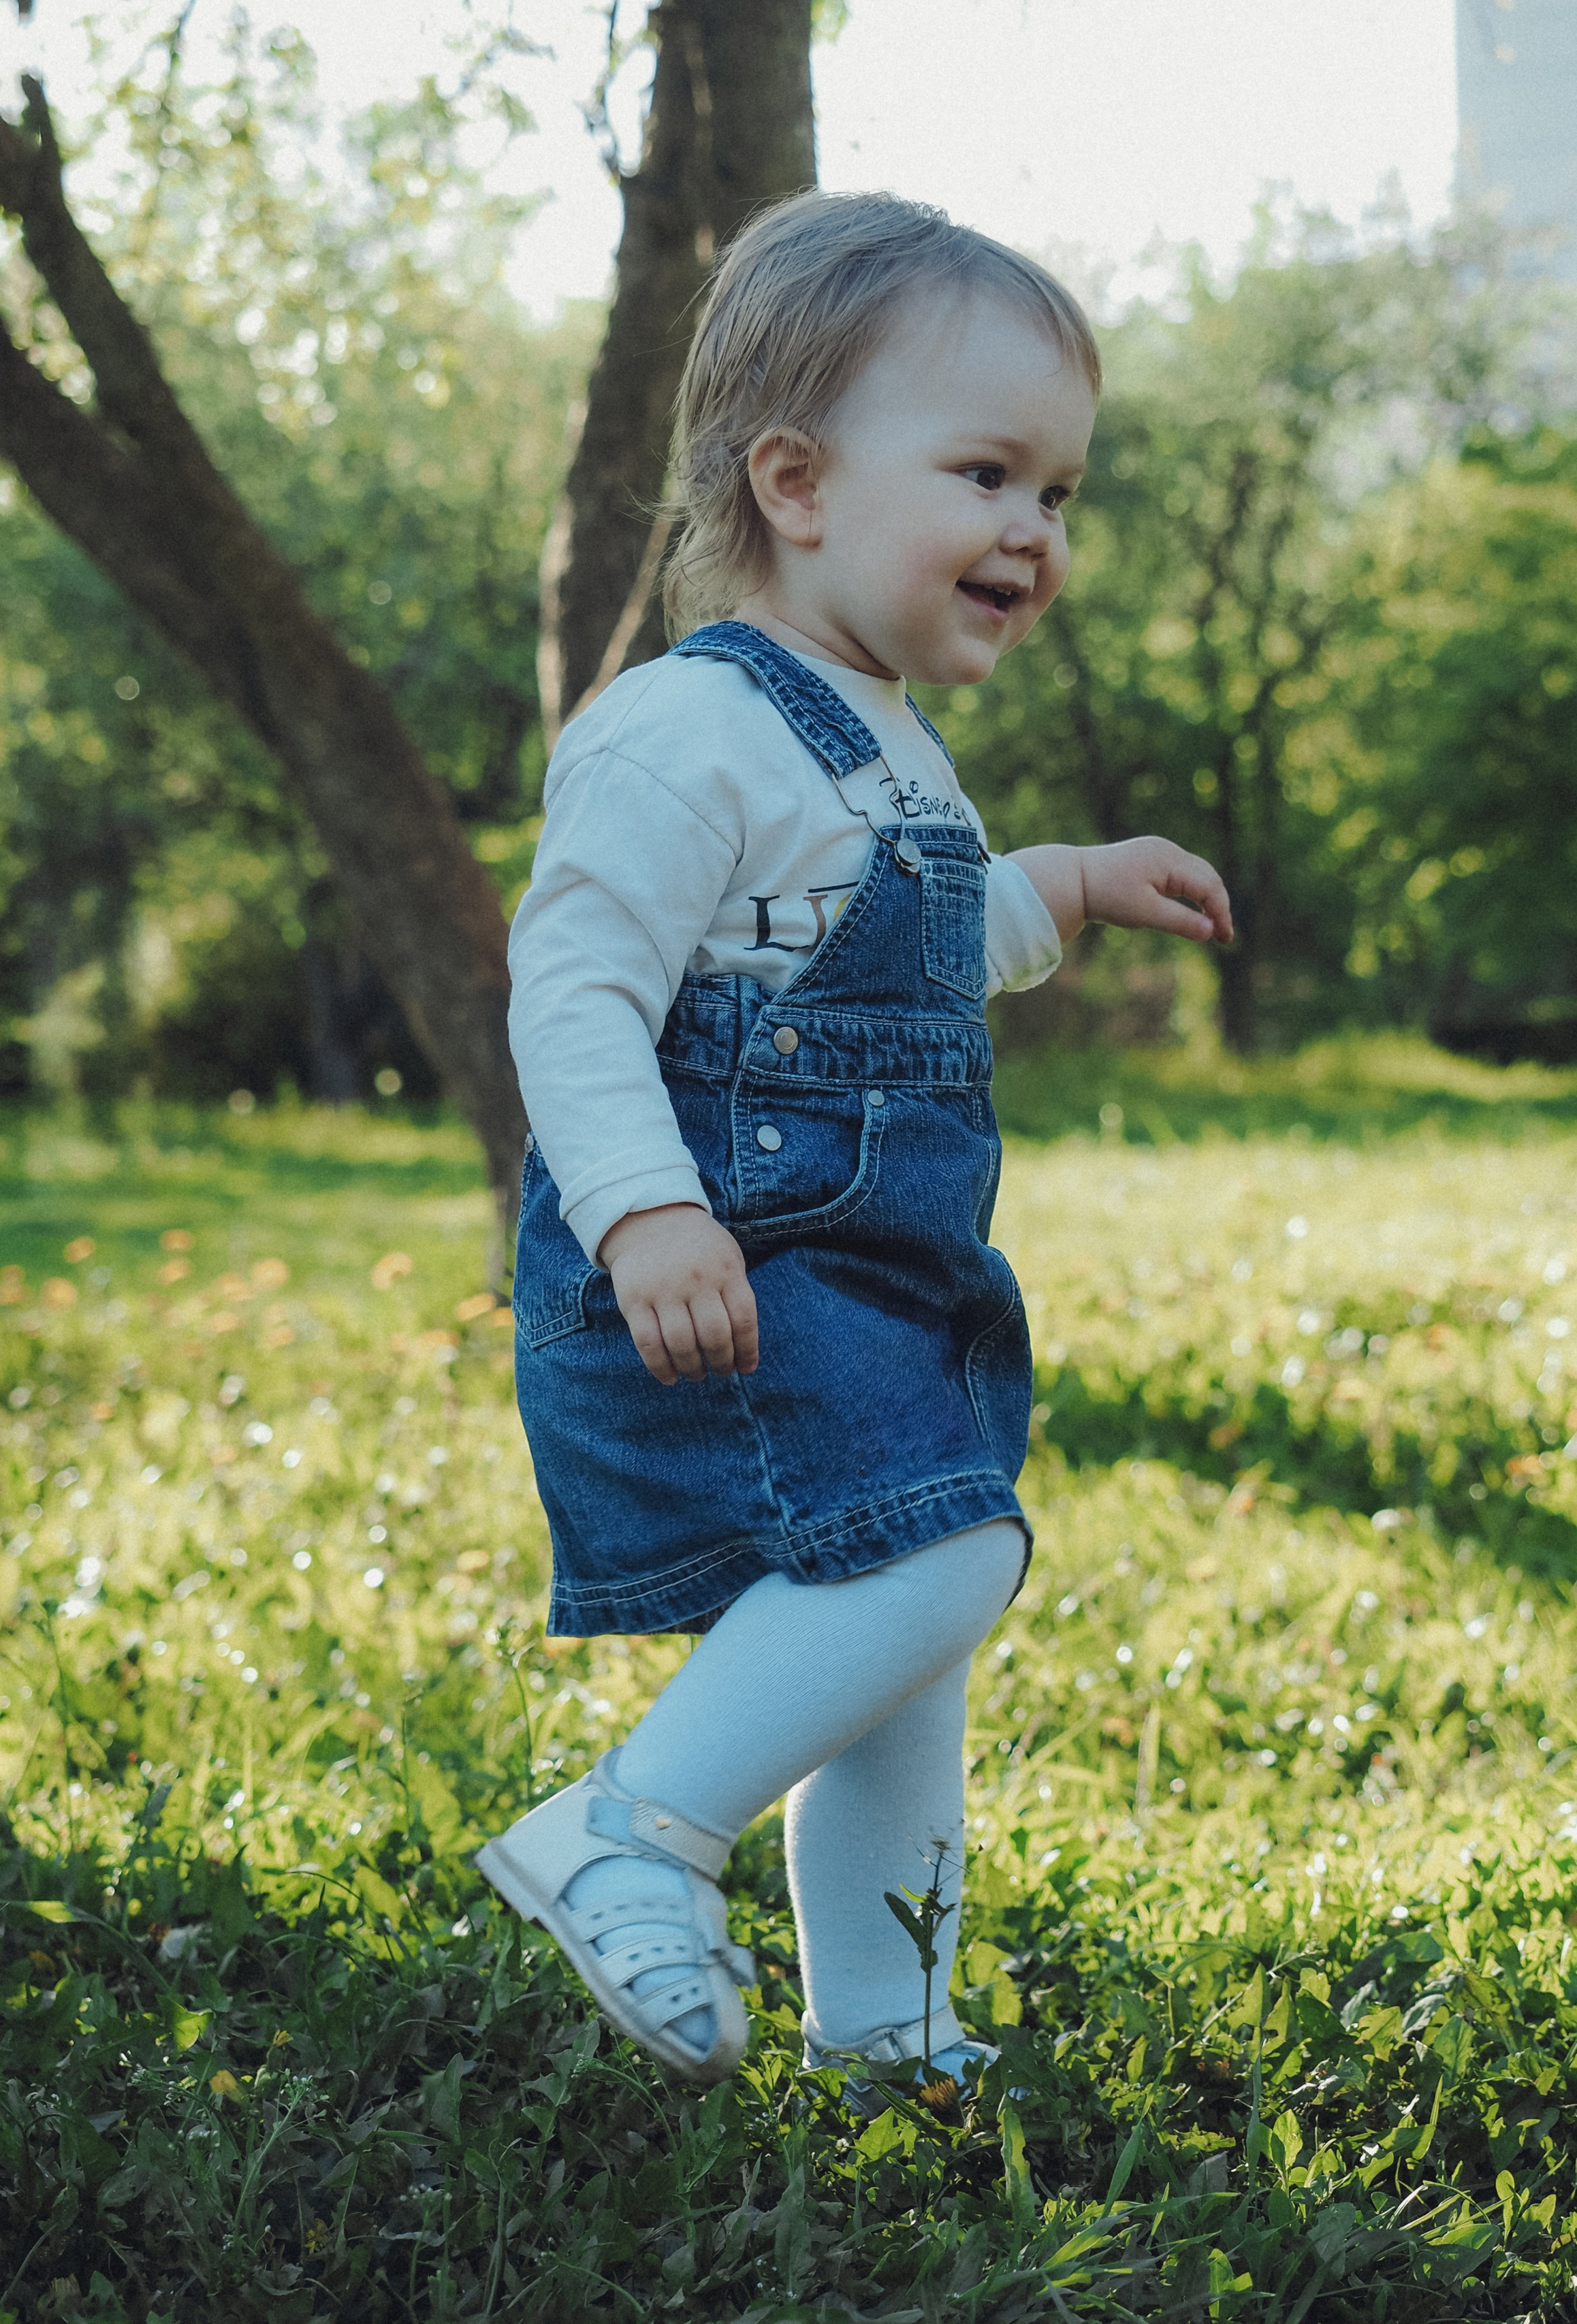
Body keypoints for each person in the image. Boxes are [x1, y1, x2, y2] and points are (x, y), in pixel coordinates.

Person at [478, 191, 1232, 2092]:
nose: (1036, 534)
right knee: (949, 1552)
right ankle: (629, 1827)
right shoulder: (683, 732)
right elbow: (572, 994)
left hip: (861, 1281)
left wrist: (1064, 880)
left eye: (1061, 491)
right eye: (988, 473)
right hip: (717, 1270)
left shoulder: (883, 739)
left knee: (902, 1645)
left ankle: (890, 2032)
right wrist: (645, 1212)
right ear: (798, 484)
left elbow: (890, 949)